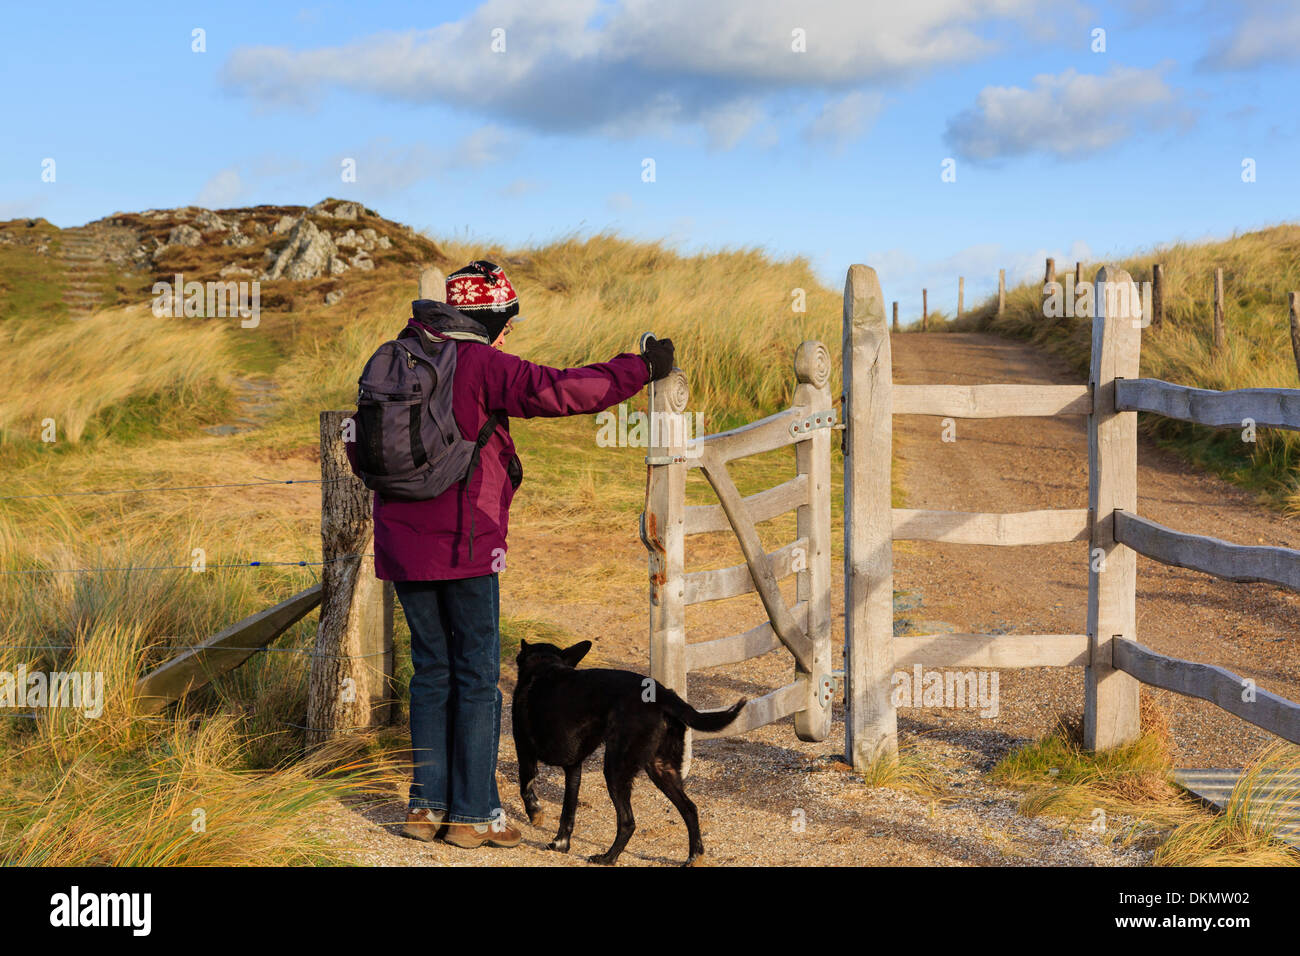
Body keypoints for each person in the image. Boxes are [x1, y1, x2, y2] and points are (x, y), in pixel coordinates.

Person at [345, 260, 674, 849]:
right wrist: (643, 368)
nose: (510, 332)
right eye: (507, 319)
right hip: (467, 543)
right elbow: (565, 390)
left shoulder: (395, 355)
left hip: (402, 543)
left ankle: (426, 807)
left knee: (430, 671)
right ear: (489, 316)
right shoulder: (480, 363)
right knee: (475, 676)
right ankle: (473, 815)